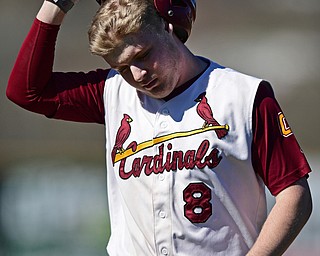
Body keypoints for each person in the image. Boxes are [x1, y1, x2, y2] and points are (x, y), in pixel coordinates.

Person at [6, 0, 313, 255]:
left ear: (168, 28)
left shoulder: (242, 95)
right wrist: (56, 5)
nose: (137, 75)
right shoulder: (112, 92)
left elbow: (294, 195)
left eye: (143, 55)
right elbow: (28, 91)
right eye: (122, 68)